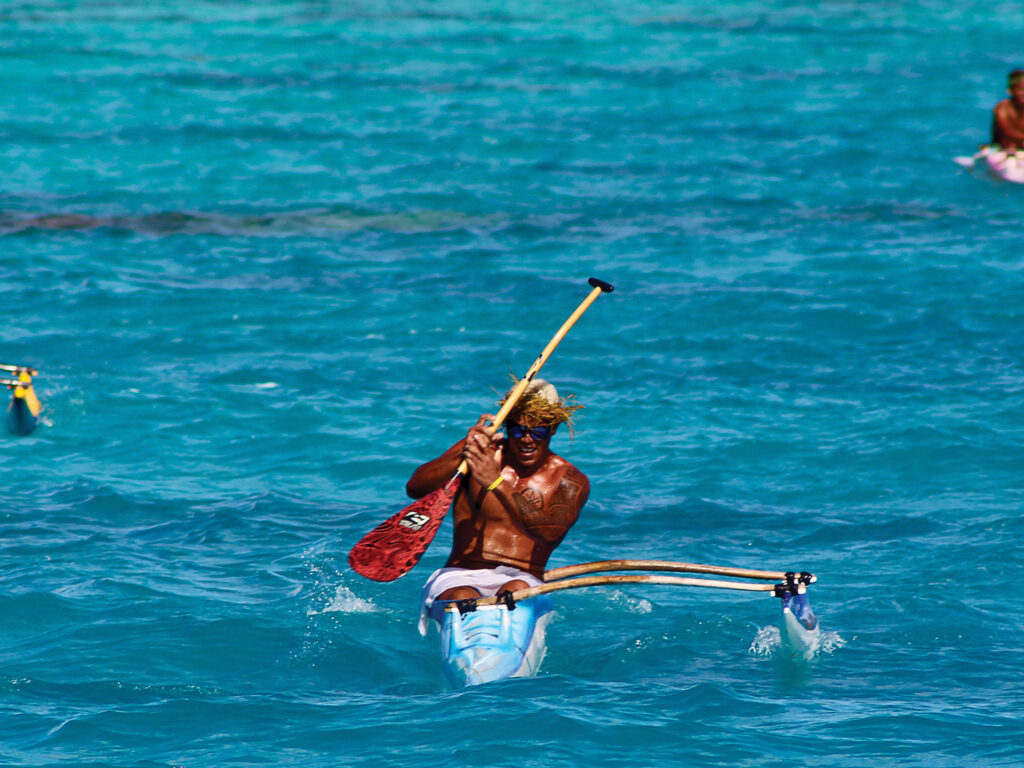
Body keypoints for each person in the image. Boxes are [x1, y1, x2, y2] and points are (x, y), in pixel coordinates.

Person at [407, 378, 589, 634]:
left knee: (515, 590)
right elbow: (415, 488)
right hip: (460, 574)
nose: (527, 439)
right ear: (506, 424)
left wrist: (496, 483)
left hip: (524, 578)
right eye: (518, 430)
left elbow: (550, 531)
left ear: (554, 429)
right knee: (462, 595)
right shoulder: (478, 455)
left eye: (538, 431)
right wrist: (464, 448)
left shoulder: (569, 480)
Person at [991, 69, 1024, 152]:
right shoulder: (1003, 108)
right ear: (1010, 91)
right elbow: (1008, 131)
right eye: (1020, 89)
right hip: (1004, 150)